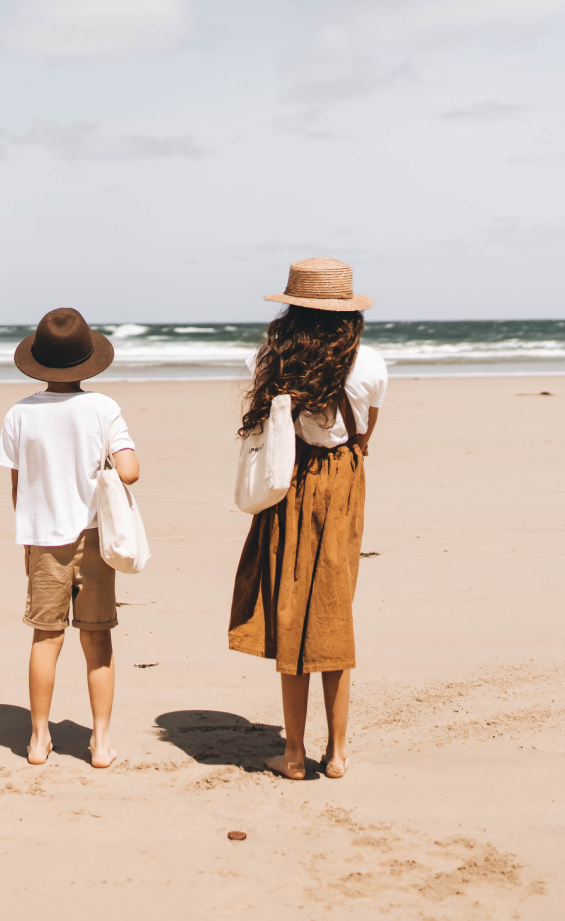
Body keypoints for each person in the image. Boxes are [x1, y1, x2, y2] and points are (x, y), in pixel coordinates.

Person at [229, 257, 387, 780]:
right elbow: (366, 435)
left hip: (291, 484)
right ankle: (337, 753)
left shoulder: (275, 358)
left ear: (293, 309)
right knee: (333, 612)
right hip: (343, 485)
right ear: (348, 313)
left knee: (291, 611)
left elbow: (268, 429)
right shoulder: (370, 364)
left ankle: (293, 754)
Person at [0, 308, 140, 768]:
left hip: (43, 540)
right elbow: (130, 471)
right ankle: (99, 743)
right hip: (95, 537)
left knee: (45, 638)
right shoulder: (103, 408)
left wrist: (28, 542)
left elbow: (18, 488)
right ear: (88, 360)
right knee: (97, 641)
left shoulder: (19, 414)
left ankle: (39, 740)